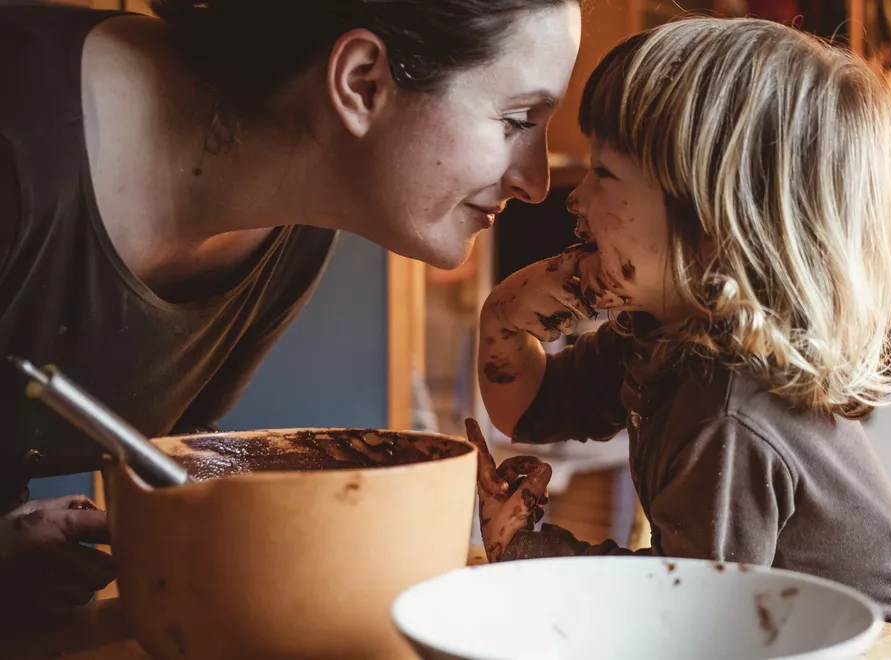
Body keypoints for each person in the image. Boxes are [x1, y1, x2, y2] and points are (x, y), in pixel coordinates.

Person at [0, 0, 581, 625]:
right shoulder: (19, 146)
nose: (537, 181)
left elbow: (181, 459)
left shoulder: (295, 222)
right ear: (362, 82)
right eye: (518, 119)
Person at [473, 17, 891, 634]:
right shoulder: (659, 334)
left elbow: (690, 622)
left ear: (710, 221)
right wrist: (504, 319)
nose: (573, 198)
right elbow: (532, 410)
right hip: (773, 626)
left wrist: (524, 550)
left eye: (603, 172)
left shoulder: (728, 407)